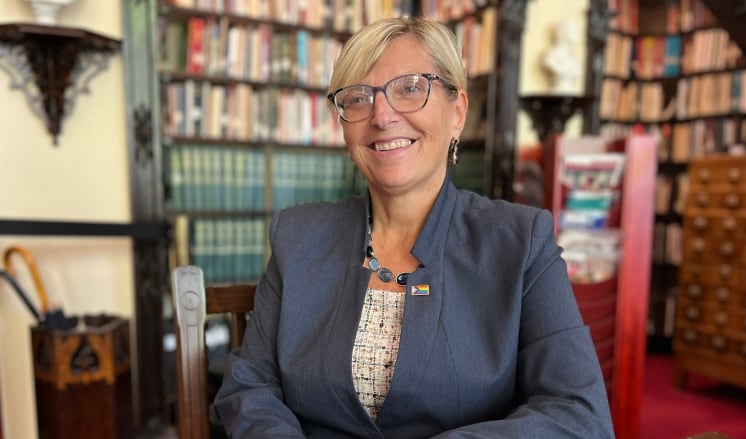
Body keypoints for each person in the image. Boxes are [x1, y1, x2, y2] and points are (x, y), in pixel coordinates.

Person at [214, 16, 614, 438]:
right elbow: (250, 384)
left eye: (410, 88)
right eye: (357, 97)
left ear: (457, 111)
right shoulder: (298, 235)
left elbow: (578, 414)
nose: (382, 116)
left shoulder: (521, 242)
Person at [543, 17, 582, 94]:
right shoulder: (551, 55)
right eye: (573, 30)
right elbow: (549, 63)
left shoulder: (572, 59)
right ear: (564, 31)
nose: (577, 33)